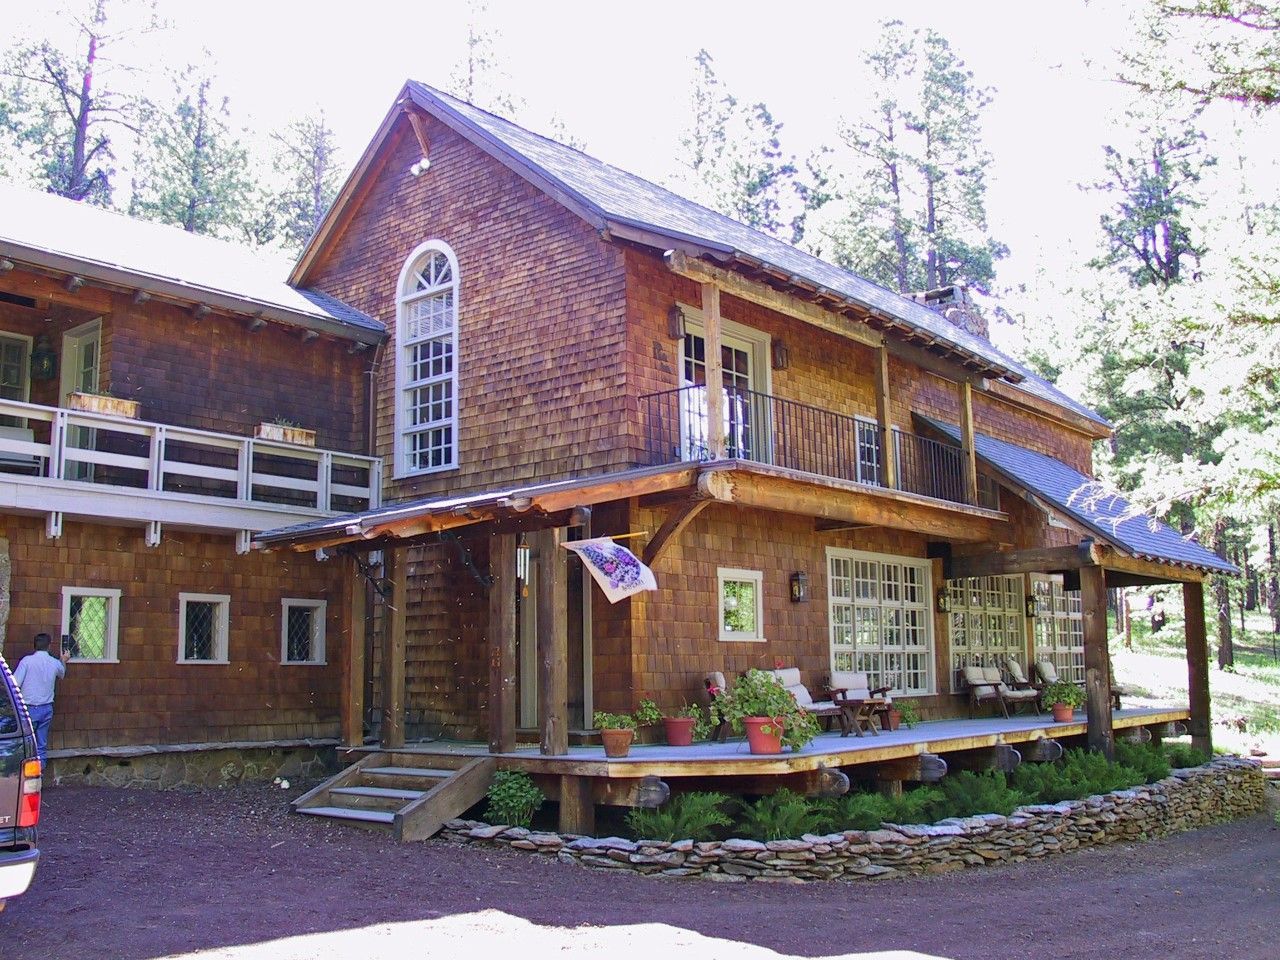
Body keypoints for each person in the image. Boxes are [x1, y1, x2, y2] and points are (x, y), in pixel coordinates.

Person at [12, 633, 69, 768]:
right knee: (41, 744)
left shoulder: (26, 661)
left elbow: (15, 683)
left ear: (35, 645)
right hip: (46, 708)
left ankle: (25, 776)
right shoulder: (54, 663)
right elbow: (62, 674)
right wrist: (63, 660)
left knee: (26, 743)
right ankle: (39, 776)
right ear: (49, 646)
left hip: (28, 708)